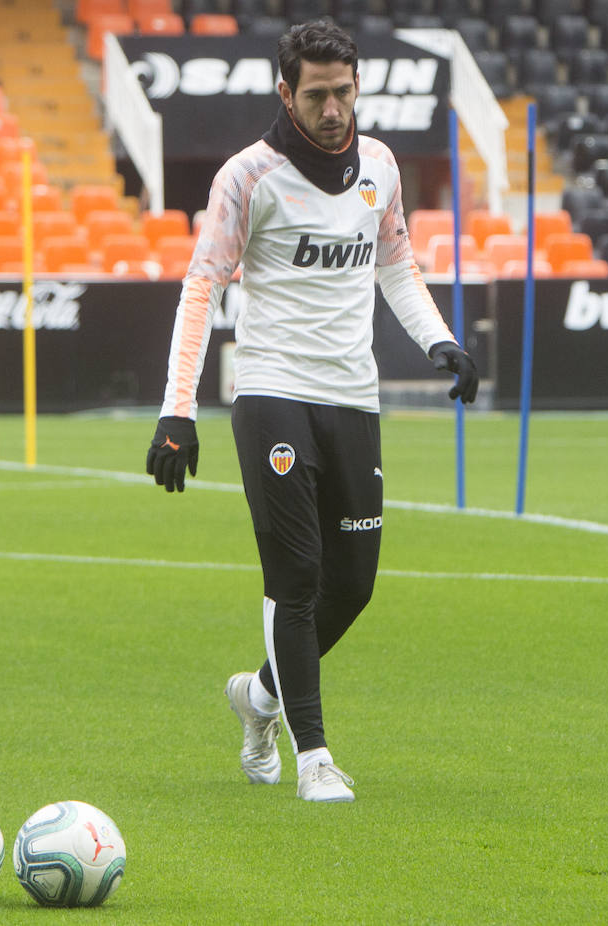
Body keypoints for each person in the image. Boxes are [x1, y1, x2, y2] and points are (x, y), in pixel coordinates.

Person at [145, 20, 478, 803]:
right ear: (286, 93)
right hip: (271, 391)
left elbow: (395, 263)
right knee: (294, 578)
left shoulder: (383, 168)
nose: (334, 108)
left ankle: (259, 698)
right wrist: (177, 412)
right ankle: (315, 757)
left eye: (345, 91)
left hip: (351, 395)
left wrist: (441, 341)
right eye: (318, 94)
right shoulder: (246, 177)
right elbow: (202, 288)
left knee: (352, 585)